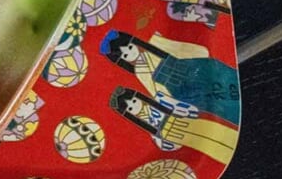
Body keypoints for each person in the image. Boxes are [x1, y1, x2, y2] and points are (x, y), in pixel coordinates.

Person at [100, 30, 239, 124]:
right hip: (188, 93)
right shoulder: (141, 72)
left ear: (134, 42)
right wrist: (176, 105)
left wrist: (201, 58)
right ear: (123, 61)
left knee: (231, 81)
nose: (130, 54)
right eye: (124, 55)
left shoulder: (156, 42)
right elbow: (158, 94)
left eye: (130, 47)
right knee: (224, 109)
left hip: (200, 69)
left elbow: (190, 49)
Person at [108, 86, 237, 165]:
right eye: (130, 108)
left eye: (134, 101)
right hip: (187, 139)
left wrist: (186, 112)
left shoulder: (160, 99)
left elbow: (188, 108)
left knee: (222, 133)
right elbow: (168, 147)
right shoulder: (152, 132)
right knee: (214, 150)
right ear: (129, 114)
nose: (135, 106)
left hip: (199, 124)